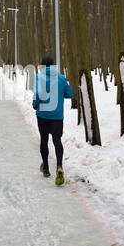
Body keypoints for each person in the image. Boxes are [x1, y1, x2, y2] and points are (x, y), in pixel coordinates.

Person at [33, 56, 73, 186]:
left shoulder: (39, 77)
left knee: (44, 140)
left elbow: (37, 95)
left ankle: (45, 168)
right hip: (57, 116)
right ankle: (59, 166)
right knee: (57, 140)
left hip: (43, 115)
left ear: (43, 66)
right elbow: (70, 94)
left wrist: (35, 104)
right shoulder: (61, 77)